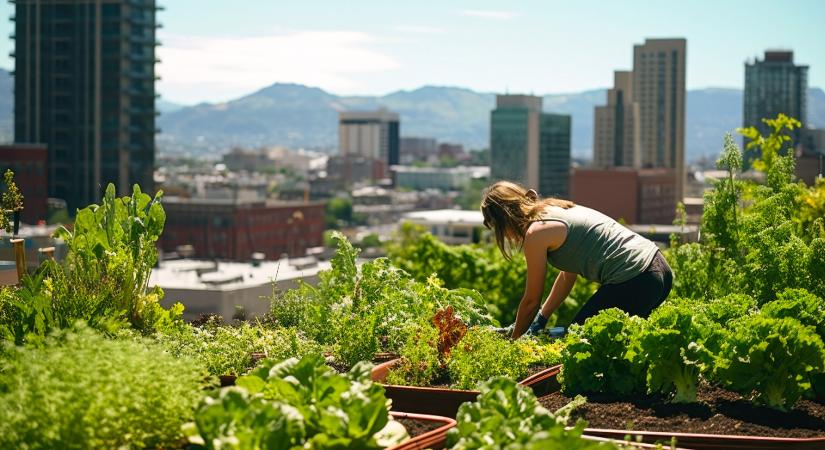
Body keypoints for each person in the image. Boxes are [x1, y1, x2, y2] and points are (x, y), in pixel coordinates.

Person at [480, 181, 673, 339]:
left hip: (635, 278)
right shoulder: (554, 208)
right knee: (614, 349)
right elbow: (567, 276)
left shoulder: (536, 233)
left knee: (579, 342)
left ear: (503, 219)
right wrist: (542, 317)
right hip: (659, 270)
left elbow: (531, 300)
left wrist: (514, 343)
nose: (504, 236)